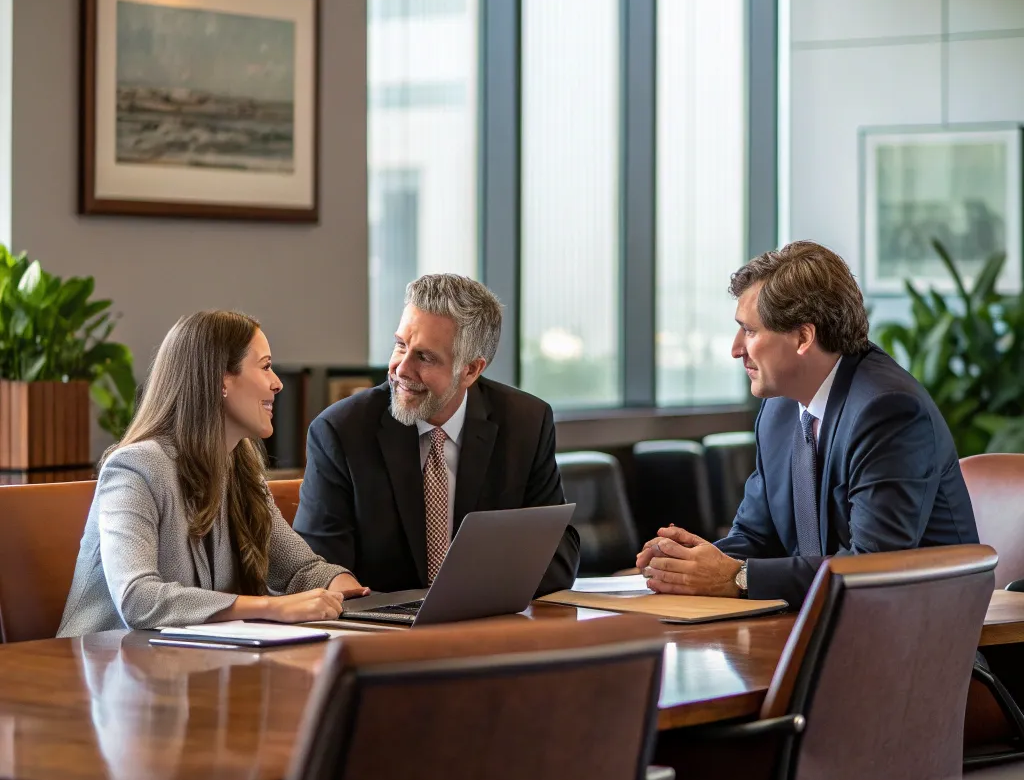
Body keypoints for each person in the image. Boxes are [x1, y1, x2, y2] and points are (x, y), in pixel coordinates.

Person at [637, 241, 979, 610]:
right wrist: (687, 565)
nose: (736, 349)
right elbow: (756, 536)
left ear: (803, 337)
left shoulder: (888, 410)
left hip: (918, 644)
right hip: (817, 631)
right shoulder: (779, 409)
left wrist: (735, 577)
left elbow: (872, 567)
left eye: (749, 331)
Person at [58, 311, 368, 637]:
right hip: (100, 670)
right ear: (222, 379)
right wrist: (270, 608)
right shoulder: (134, 468)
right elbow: (138, 599)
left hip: (184, 668)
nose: (277, 383)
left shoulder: (239, 470)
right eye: (265, 366)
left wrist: (355, 598)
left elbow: (300, 570)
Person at [294, 273, 580, 595]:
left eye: (425, 357)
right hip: (379, 632)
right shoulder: (341, 431)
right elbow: (318, 568)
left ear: (471, 370)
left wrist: (463, 598)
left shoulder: (525, 422)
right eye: (401, 345)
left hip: (489, 625)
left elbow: (558, 555)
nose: (401, 369)